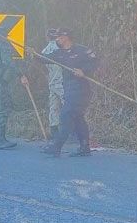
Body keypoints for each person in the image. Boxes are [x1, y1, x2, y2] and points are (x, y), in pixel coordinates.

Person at [40, 28, 98, 157]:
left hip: (81, 90)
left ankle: (57, 146)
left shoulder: (81, 50)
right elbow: (44, 58)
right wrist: (33, 54)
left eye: (59, 37)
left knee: (65, 115)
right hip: (68, 89)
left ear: (66, 37)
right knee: (78, 118)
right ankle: (84, 147)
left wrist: (84, 71)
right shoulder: (59, 53)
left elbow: (95, 62)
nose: (57, 39)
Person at [41, 28, 64, 139]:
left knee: (53, 107)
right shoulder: (60, 49)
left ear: (47, 37)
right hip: (61, 81)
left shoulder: (45, 50)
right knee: (68, 104)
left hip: (52, 81)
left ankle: (53, 130)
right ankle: (71, 130)